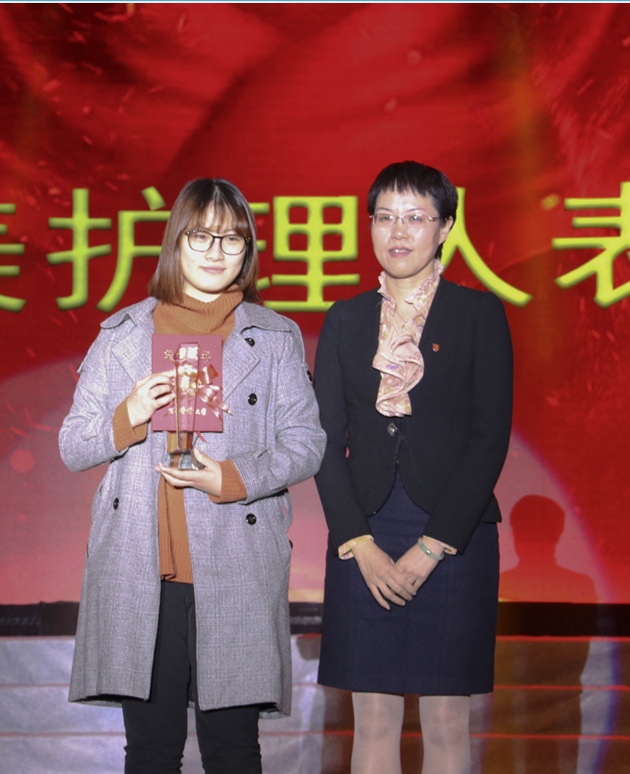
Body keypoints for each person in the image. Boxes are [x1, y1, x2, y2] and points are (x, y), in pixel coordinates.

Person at [59, 178, 325, 774]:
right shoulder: (123, 334)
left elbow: (307, 445)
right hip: (140, 568)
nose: (215, 251)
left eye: (231, 239)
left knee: (233, 753)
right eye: (200, 235)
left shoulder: (273, 337)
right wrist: (128, 414)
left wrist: (231, 478)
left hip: (236, 562)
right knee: (150, 753)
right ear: (175, 242)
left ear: (247, 251)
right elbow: (73, 445)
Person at [313, 161, 513, 774]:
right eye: (385, 217)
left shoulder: (479, 314)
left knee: (447, 723)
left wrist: (431, 548)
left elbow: (489, 440)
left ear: (445, 227)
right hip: (364, 535)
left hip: (453, 537)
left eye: (416, 217)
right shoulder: (344, 319)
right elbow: (324, 442)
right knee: (372, 720)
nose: (398, 232)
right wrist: (358, 543)